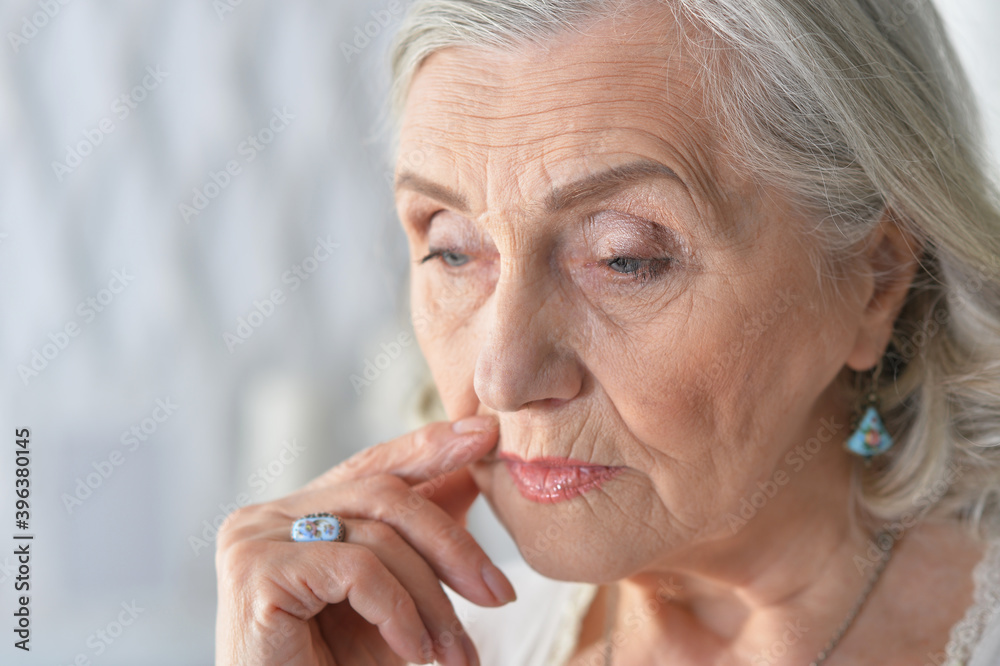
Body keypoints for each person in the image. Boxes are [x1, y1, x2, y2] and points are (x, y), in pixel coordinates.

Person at [215, 1, 1000, 663]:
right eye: (453, 249)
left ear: (875, 282)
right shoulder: (416, 639)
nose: (502, 377)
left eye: (624, 258)